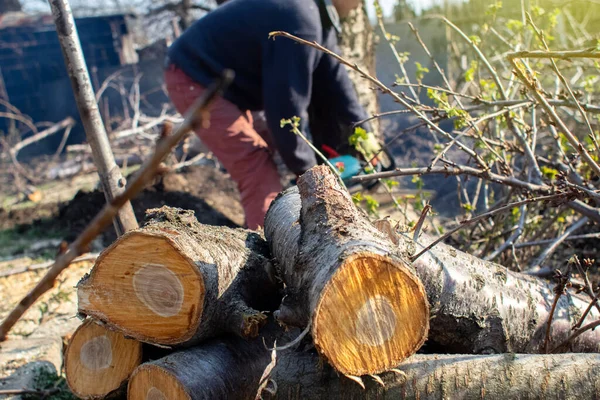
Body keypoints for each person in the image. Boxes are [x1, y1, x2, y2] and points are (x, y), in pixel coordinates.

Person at [164, 0, 378, 229]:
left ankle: (267, 223)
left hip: (227, 87)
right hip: (195, 78)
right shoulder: (301, 19)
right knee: (257, 165)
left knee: (277, 145)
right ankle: (265, 251)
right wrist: (312, 176)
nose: (361, 4)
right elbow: (285, 110)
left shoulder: (317, 17)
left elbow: (339, 85)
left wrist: (365, 133)